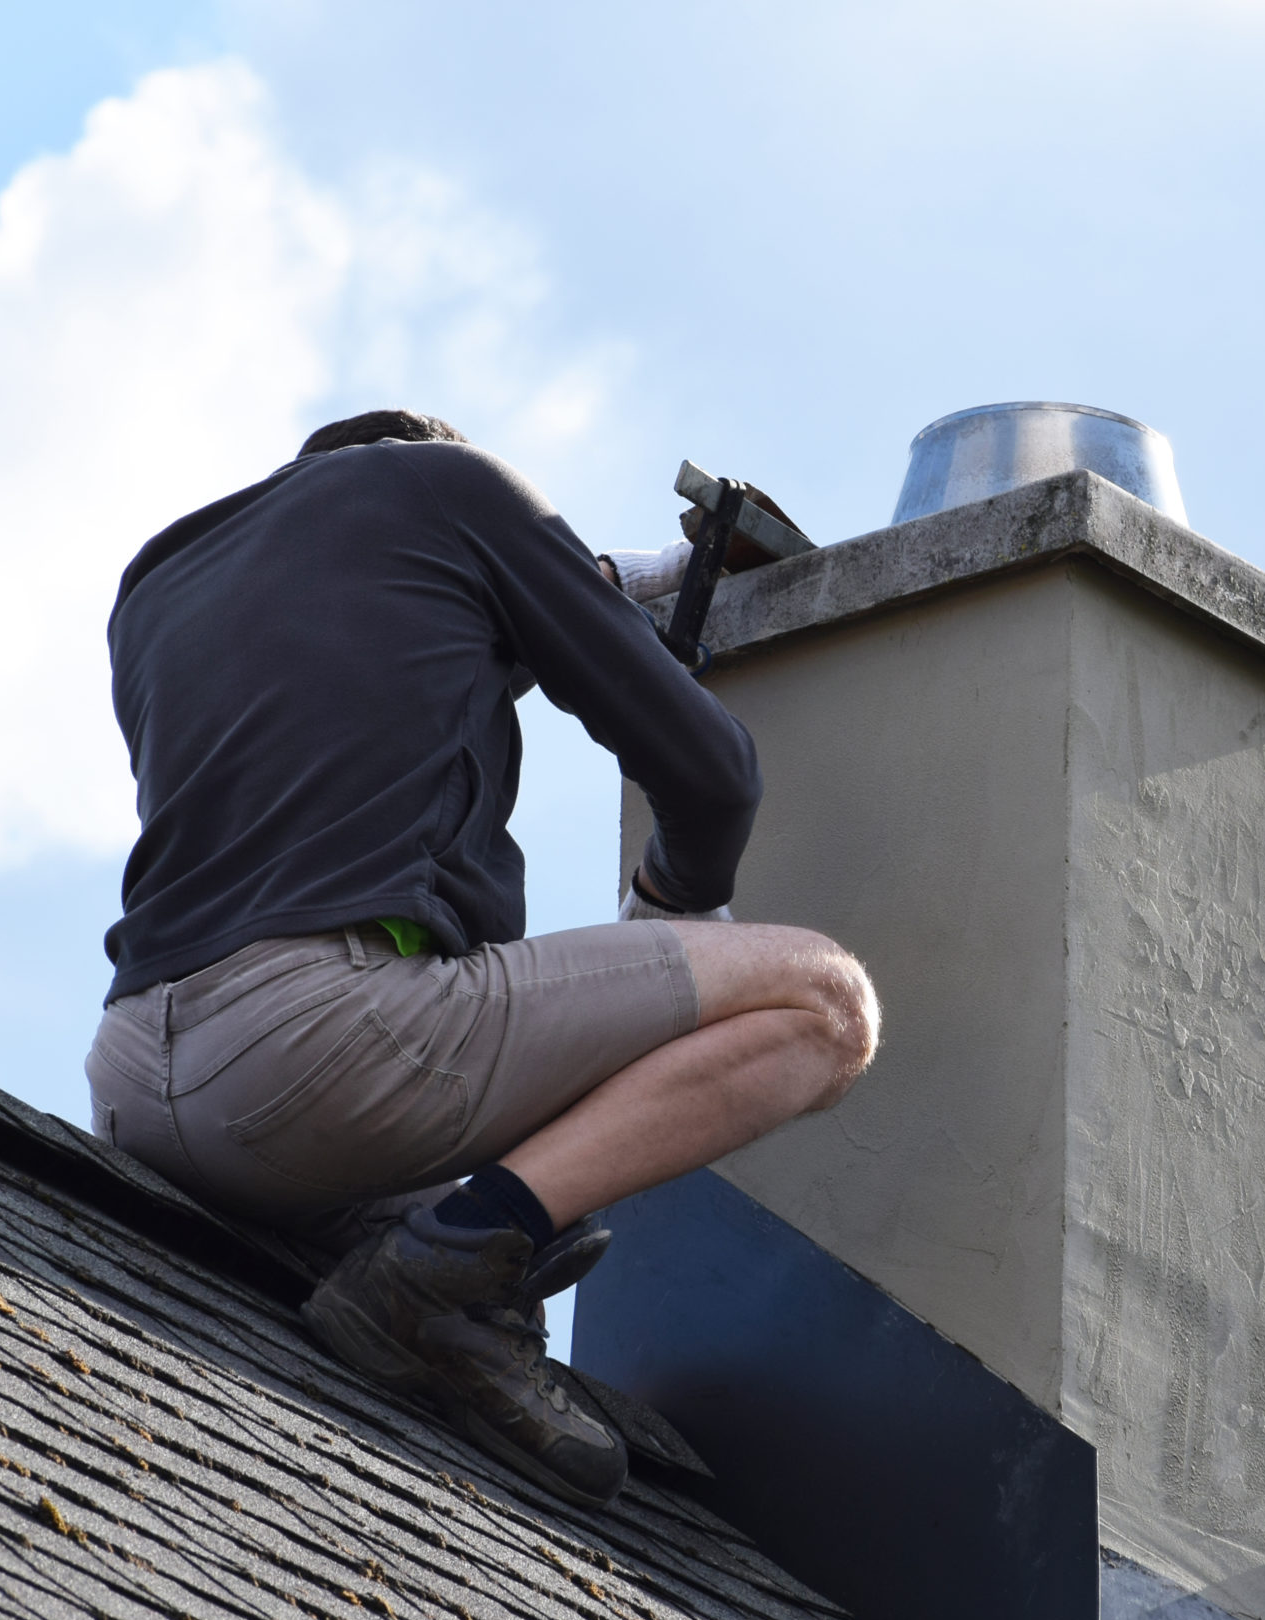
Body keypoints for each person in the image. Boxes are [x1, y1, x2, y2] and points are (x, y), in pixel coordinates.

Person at [84, 409, 880, 1509]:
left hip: (137, 1083)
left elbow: (344, 686)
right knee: (824, 1005)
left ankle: (453, 1280)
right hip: (317, 1055)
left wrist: (541, 603)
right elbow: (710, 776)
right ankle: (451, 1265)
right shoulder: (451, 484)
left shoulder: (162, 580)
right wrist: (675, 912)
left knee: (498, 1212)